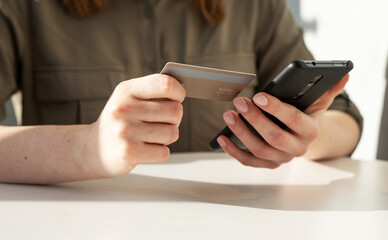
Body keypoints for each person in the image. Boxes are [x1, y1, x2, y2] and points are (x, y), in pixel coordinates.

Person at [0, 0, 362, 184]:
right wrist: (86, 147)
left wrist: (305, 137)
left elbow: (343, 119)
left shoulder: (252, 5)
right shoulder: (23, 8)